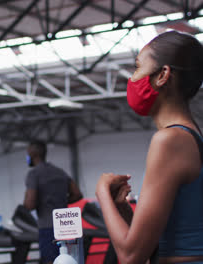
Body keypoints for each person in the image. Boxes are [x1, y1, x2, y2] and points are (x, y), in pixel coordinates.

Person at [95, 30, 203, 264]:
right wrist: (121, 209)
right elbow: (153, 244)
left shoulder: (170, 141)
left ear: (162, 74)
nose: (132, 79)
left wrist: (102, 193)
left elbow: (130, 256)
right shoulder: (192, 136)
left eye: (137, 68)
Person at [23, 140, 83, 264]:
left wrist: (29, 205)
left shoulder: (34, 174)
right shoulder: (59, 172)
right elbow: (77, 194)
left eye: (28, 153)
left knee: (50, 261)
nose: (27, 157)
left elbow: (30, 203)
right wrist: (60, 202)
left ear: (34, 154)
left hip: (47, 227)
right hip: (66, 226)